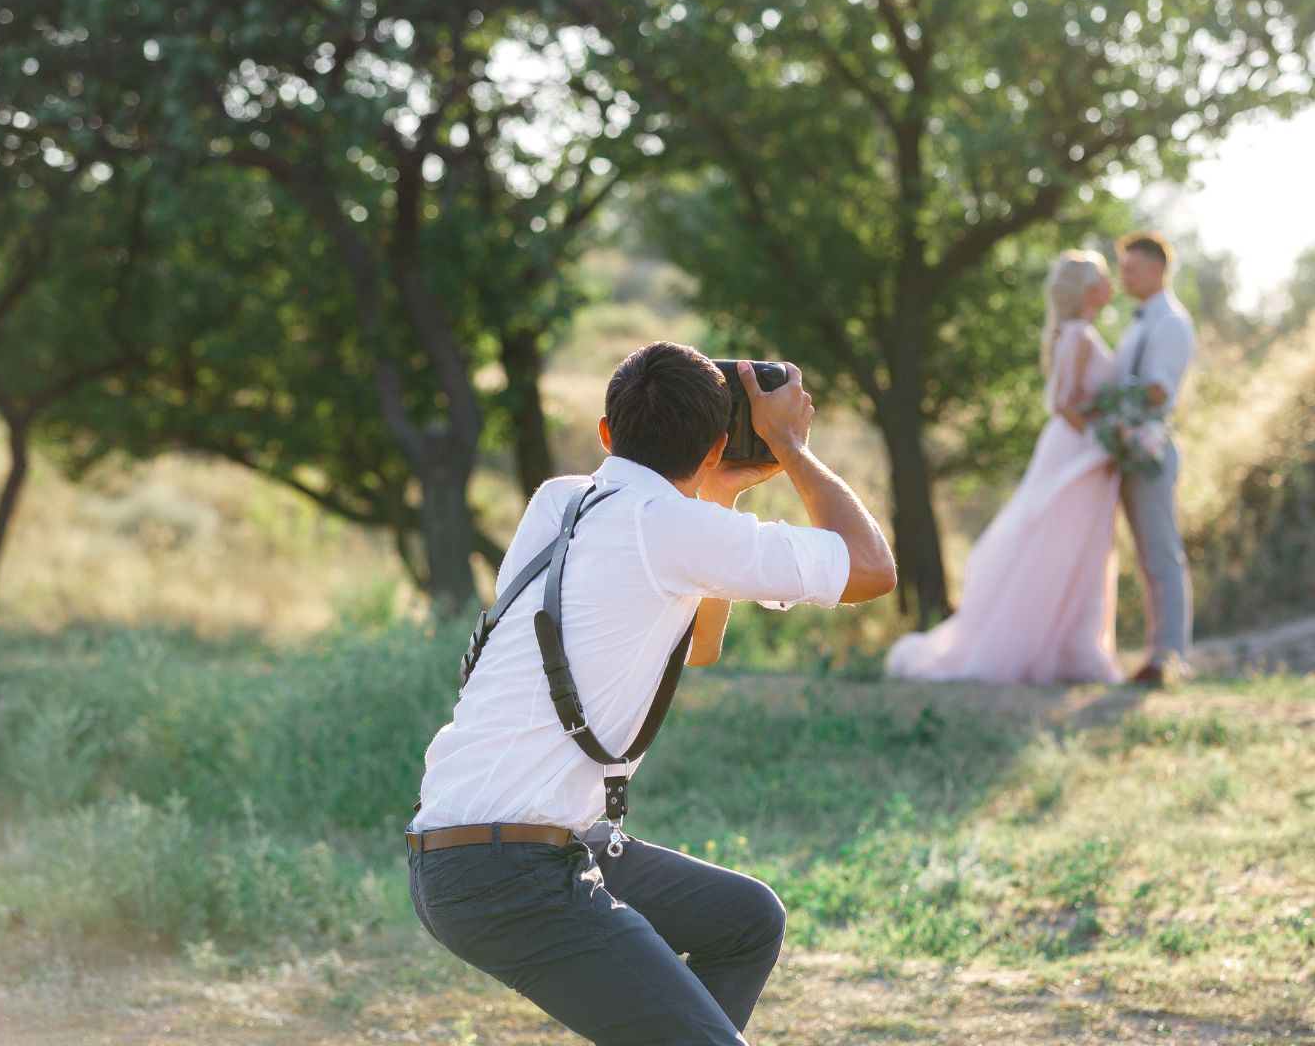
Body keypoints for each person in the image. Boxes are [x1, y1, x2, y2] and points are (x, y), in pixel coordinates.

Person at [407, 342, 896, 1046]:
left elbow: (696, 644)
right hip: (509, 872)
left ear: (608, 434)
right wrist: (787, 443)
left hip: (461, 849)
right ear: (718, 442)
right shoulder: (670, 529)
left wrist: (721, 491)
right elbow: (873, 569)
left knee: (745, 918)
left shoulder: (559, 501)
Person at [882, 250, 1128, 684]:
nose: (1111, 286)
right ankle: (1067, 650)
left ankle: (1076, 647)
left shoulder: (1076, 333)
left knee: (1080, 549)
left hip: (1079, 451)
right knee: (1061, 547)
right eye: (1104, 279)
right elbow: (1063, 402)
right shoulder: (1079, 336)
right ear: (1090, 290)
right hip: (1079, 454)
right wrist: (1104, 438)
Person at [1112, 230, 1196, 687]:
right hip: (1127, 446)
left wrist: (1107, 402)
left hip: (1150, 448)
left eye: (1131, 267)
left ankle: (1170, 657)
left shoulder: (1170, 322)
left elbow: (1159, 389)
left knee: (1162, 553)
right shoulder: (1139, 322)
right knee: (1147, 558)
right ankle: (1156, 653)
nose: (1123, 276)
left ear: (1157, 269)